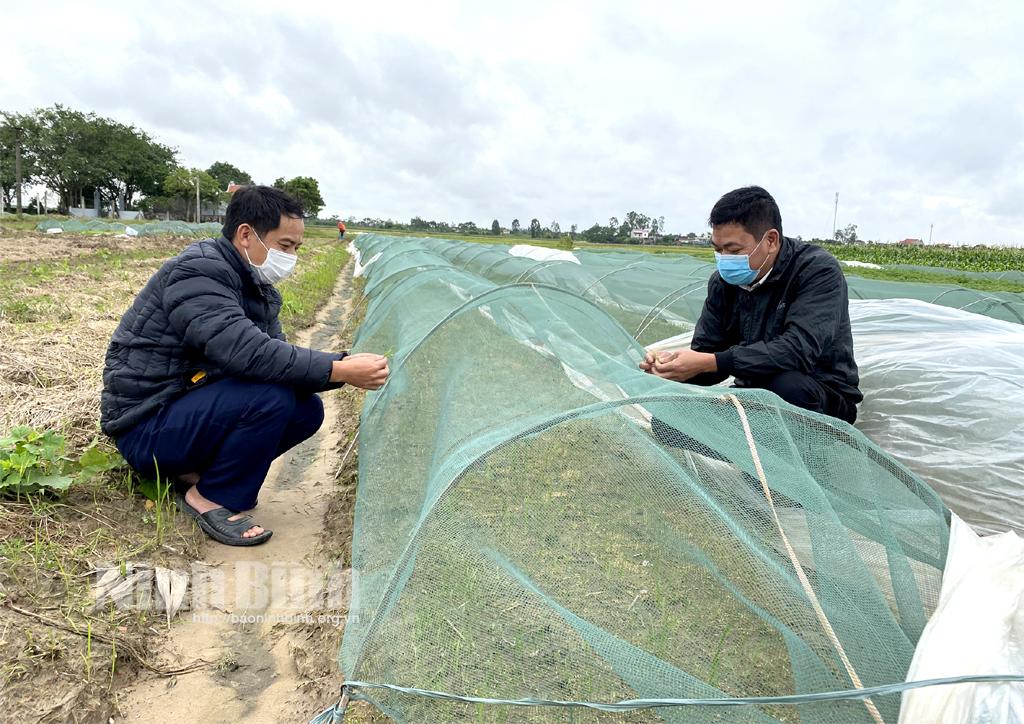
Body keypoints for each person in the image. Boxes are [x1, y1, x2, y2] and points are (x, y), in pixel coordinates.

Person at [100, 186, 389, 546]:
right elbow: (246, 351)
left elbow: (276, 355)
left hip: (183, 408)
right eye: (285, 246)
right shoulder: (199, 272)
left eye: (297, 248)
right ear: (247, 234)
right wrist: (340, 368)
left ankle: (196, 474)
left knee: (305, 409)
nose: (292, 257)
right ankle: (210, 497)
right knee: (270, 397)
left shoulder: (255, 286)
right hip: (145, 425)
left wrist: (335, 369)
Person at [640, 186, 862, 424]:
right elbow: (708, 354)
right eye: (717, 250)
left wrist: (711, 361)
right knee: (669, 421)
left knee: (787, 387)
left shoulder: (816, 271)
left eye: (733, 250)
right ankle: (752, 446)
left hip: (818, 394)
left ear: (771, 240)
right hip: (754, 391)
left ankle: (804, 455)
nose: (724, 259)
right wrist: (675, 367)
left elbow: (798, 351)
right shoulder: (723, 283)